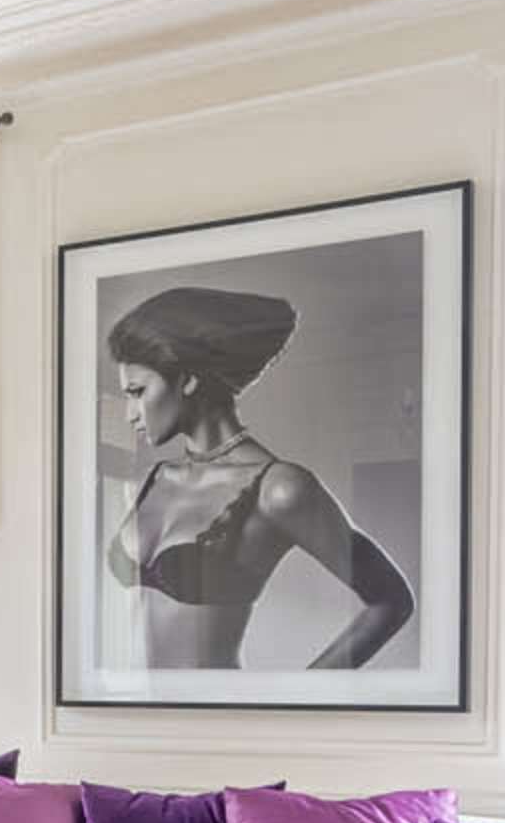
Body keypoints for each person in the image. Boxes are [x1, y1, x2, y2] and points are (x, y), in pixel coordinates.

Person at [102, 285, 415, 671]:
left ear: (187, 380)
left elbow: (392, 601)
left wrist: (296, 698)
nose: (130, 413)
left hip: (218, 725)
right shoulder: (147, 481)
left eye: (137, 391)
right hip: (118, 717)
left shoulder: (280, 489)